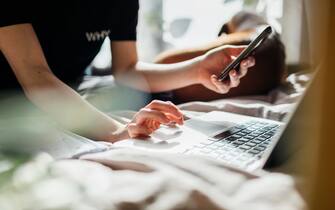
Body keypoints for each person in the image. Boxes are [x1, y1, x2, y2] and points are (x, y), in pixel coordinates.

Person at [0, 1, 255, 142]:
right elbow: (36, 76)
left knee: (155, 99)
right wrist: (116, 131)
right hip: (12, 97)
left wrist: (197, 69)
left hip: (67, 88)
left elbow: (127, 70)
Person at [155, 11, 286, 103]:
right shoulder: (278, 53)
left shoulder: (235, 25)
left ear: (226, 33)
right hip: (161, 86)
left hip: (162, 84)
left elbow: (159, 64)